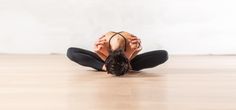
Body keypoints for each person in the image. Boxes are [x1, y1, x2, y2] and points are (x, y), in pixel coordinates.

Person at [67, 31, 168, 76]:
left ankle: (113, 67)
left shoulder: (104, 47)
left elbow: (163, 55)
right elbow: (71, 52)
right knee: (70, 52)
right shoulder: (129, 46)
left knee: (164, 54)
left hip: (111, 62)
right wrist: (132, 53)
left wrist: (99, 53)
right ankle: (117, 67)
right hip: (119, 62)